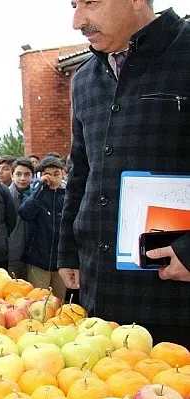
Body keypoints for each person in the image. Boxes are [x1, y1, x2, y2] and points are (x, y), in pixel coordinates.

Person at [60, 1, 190, 346]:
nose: (77, 21)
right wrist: (68, 251)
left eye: (90, 2)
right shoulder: (85, 78)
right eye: (74, 5)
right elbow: (80, 173)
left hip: (174, 301)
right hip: (100, 300)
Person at [19, 156, 67, 299]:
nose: (52, 178)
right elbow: (24, 213)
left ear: (63, 173)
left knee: (59, 304)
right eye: (48, 174)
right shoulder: (35, 193)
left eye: (56, 174)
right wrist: (41, 188)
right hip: (38, 260)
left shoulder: (68, 196)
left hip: (60, 262)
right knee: (38, 301)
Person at [8, 157, 35, 279]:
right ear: (12, 176)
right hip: (11, 254)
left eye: (27, 174)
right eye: (18, 174)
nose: (22, 178)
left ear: (33, 176)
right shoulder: (5, 196)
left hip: (32, 256)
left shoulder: (36, 196)